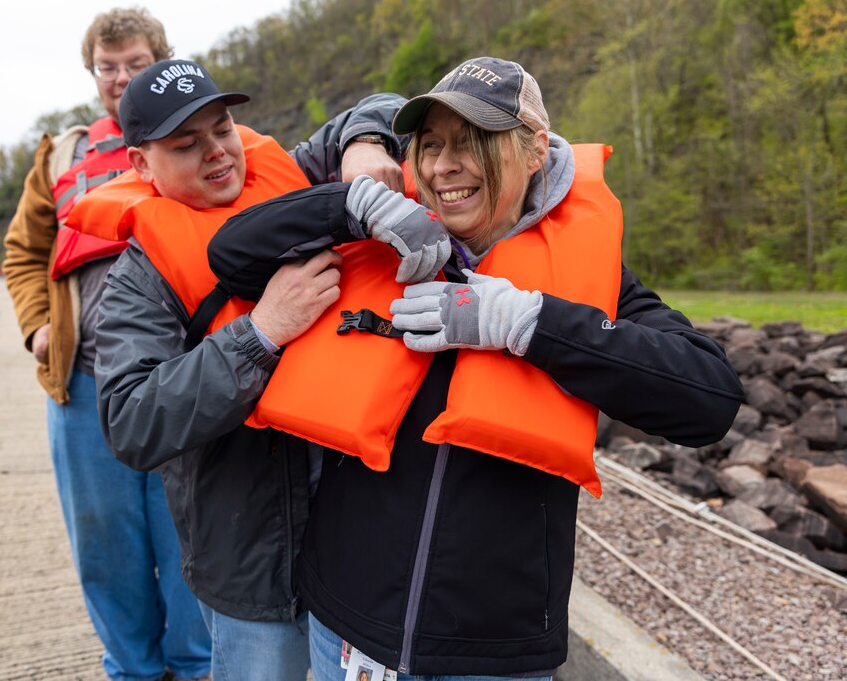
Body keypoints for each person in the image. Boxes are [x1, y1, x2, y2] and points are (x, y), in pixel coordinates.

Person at [206, 56, 746, 679]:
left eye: (473, 143)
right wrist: (350, 207)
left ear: (536, 149)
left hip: (493, 649)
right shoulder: (380, 235)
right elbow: (232, 254)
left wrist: (526, 323)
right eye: (429, 145)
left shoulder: (591, 278)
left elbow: (710, 398)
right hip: (348, 623)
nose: (442, 166)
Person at [67, 58, 419, 680]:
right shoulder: (138, 282)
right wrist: (261, 333)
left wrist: (366, 147)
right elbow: (131, 420)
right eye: (186, 144)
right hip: (252, 567)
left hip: (357, 545)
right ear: (141, 165)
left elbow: (385, 103)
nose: (217, 153)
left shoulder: (293, 171)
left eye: (223, 128)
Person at [2, 8, 212, 681]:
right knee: (104, 543)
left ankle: (197, 662)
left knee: (191, 533)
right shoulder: (60, 155)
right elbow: (23, 251)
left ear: (161, 61)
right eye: (107, 66)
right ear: (93, 73)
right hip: (83, 380)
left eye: (135, 63)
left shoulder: (206, 140)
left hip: (182, 377)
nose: (120, 78)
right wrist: (38, 326)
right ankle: (133, 668)